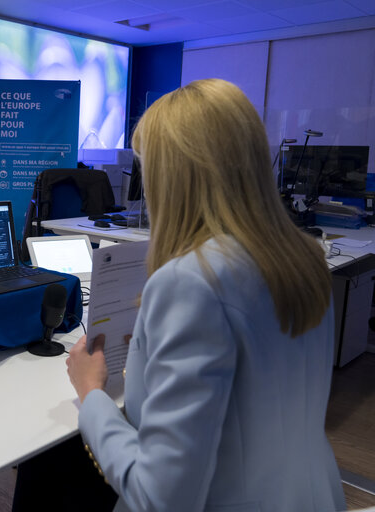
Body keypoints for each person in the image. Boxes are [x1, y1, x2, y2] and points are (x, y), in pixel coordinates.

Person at [65, 79, 345, 512]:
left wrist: (91, 394)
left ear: (174, 177)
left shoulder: (191, 281)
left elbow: (159, 498)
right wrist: (152, 352)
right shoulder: (304, 258)